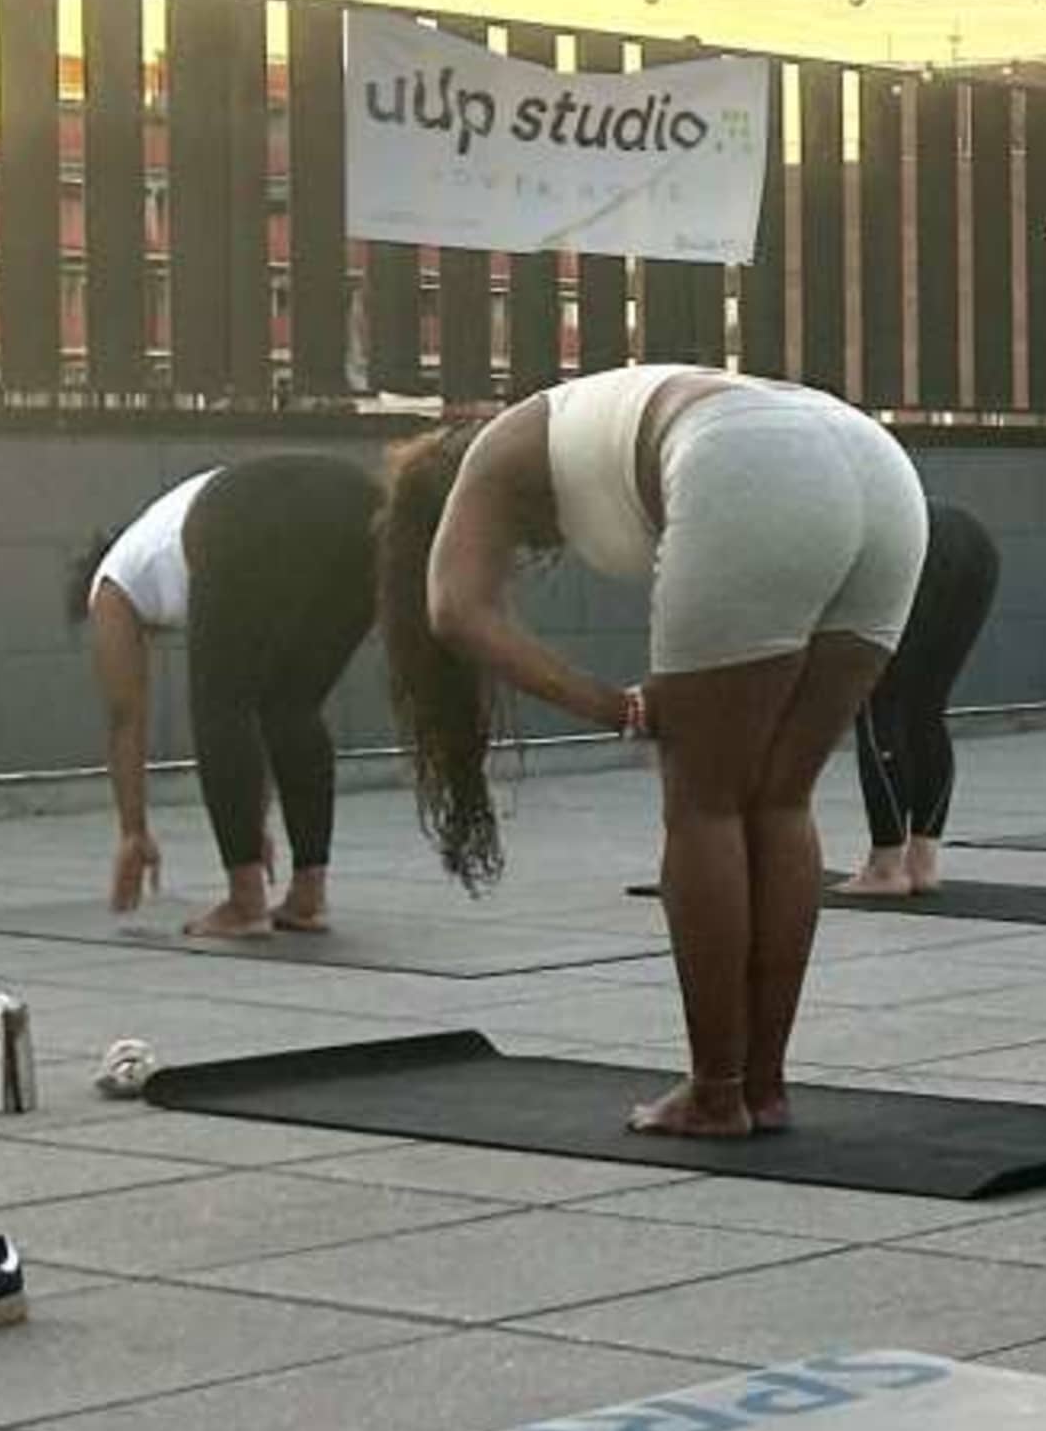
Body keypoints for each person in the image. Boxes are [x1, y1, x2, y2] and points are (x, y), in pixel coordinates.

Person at [382, 364, 928, 1139]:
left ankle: (714, 1093)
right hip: (877, 466)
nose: (529, 553)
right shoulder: (583, 421)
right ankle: (762, 1088)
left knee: (703, 802)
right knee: (778, 797)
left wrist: (613, 707)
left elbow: (454, 608)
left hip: (753, 462)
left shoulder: (482, 457)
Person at [72, 450, 386, 942]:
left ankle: (245, 905)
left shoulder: (111, 586)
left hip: (252, 513)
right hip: (359, 507)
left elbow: (124, 714)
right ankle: (307, 898)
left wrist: (133, 831)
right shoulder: (163, 530)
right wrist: (248, 821)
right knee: (290, 705)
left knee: (219, 704)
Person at [841, 499, 1003, 898]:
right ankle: (923, 861)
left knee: (878, 702)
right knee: (927, 708)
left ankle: (885, 868)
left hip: (912, 543)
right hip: (972, 540)